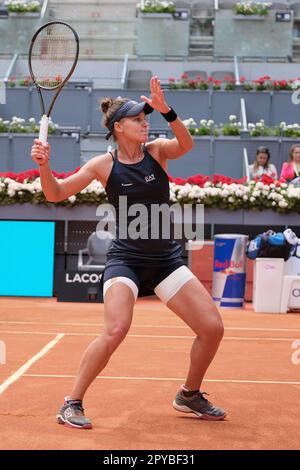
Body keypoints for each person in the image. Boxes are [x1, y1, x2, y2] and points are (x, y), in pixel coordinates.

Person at [31, 76, 226, 429]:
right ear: (119, 127)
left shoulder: (157, 151)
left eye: (145, 117)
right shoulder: (102, 166)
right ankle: (71, 403)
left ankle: (189, 394)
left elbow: (186, 144)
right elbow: (56, 193)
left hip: (166, 259)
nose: (144, 122)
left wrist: (167, 111)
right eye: (137, 119)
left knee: (212, 328)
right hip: (126, 261)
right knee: (117, 328)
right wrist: (44, 165)